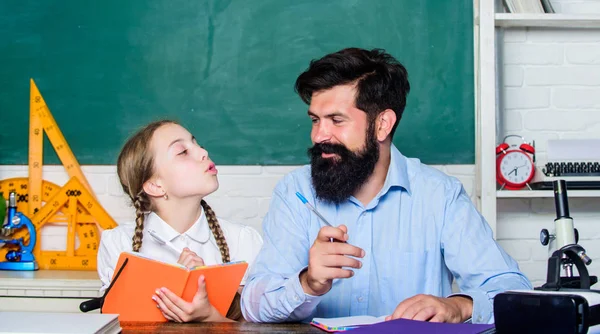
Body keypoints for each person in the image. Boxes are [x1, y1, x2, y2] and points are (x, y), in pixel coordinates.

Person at [240, 48, 532, 324]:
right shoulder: (295, 192)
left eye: (336, 120)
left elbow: (513, 290)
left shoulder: (440, 195)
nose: (319, 135)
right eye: (316, 120)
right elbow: (252, 305)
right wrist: (308, 283)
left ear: (382, 124)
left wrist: (458, 305)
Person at [97, 120, 263, 322]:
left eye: (196, 143)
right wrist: (172, 284)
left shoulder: (243, 240)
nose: (203, 151)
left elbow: (260, 328)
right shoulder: (118, 243)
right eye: (182, 152)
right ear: (155, 186)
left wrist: (210, 315)